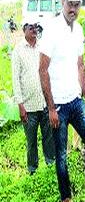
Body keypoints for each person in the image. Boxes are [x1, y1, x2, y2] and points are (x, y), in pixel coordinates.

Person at [39, 0, 85, 202]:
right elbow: (42, 70)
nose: (73, 8)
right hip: (59, 107)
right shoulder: (52, 29)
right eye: (70, 4)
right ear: (63, 2)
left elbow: (81, 65)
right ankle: (66, 197)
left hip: (76, 101)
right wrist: (51, 108)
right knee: (62, 155)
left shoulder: (79, 30)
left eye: (77, 5)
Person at [12, 19, 55, 175]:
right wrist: (20, 104)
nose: (34, 30)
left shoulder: (42, 47)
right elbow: (15, 79)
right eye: (31, 28)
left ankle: (50, 164)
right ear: (24, 30)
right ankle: (32, 170)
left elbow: (49, 71)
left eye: (36, 27)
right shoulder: (17, 50)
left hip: (44, 103)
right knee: (31, 142)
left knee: (48, 137)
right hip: (28, 106)